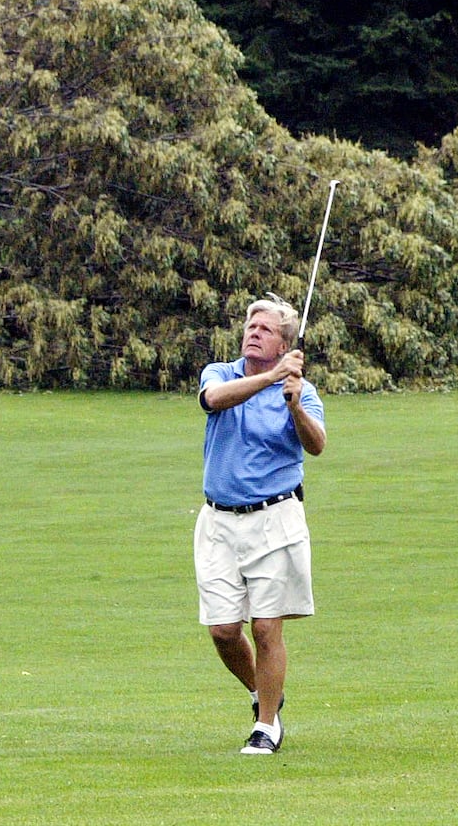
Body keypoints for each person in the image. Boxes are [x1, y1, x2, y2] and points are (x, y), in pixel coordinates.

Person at [195, 295, 326, 755]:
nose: (254, 332)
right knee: (223, 630)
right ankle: (263, 692)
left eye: (266, 329)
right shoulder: (219, 373)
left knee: (267, 627)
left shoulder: (301, 391)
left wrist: (293, 406)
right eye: (252, 325)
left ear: (285, 343)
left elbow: (317, 446)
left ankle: (267, 726)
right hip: (218, 521)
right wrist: (269, 378)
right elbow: (212, 401)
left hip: (275, 518)